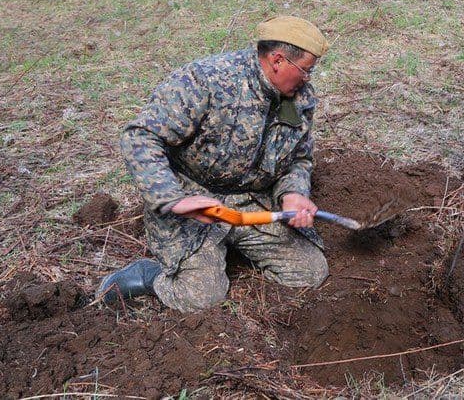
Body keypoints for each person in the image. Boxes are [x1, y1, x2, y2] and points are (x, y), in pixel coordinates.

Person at [96, 16, 331, 312]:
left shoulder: (299, 99)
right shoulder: (205, 80)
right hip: (194, 200)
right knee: (201, 298)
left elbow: (299, 157)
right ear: (277, 60)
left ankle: (228, 248)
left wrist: (294, 192)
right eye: (306, 70)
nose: (308, 79)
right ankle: (146, 276)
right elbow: (140, 136)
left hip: (248, 203)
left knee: (309, 272)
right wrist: (172, 198)